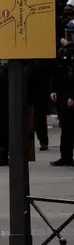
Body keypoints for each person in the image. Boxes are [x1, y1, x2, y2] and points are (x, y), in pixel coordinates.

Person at [50, 20, 74, 166]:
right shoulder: (62, 51)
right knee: (65, 126)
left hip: (71, 92)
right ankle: (65, 156)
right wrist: (53, 89)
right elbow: (56, 72)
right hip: (62, 92)